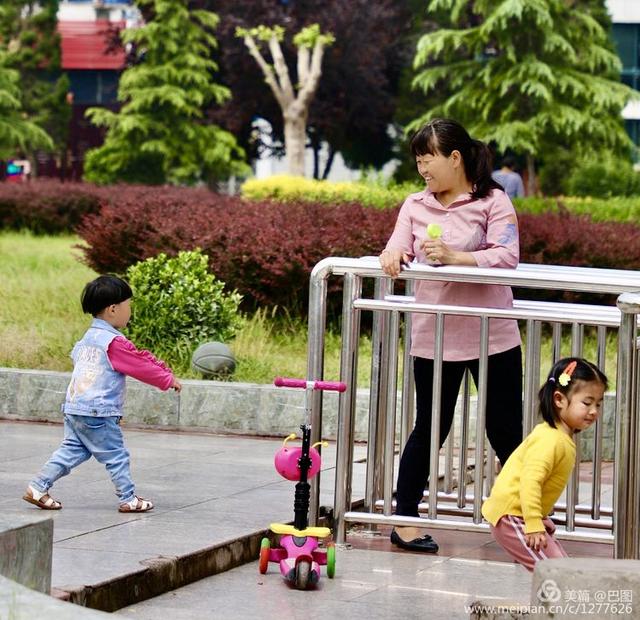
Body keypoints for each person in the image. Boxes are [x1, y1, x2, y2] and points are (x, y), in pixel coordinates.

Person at [379, 118, 523, 553]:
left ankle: (526, 519)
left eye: (429, 158)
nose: (422, 167)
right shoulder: (414, 205)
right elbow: (397, 246)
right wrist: (391, 252)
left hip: (491, 334)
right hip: (435, 335)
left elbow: (507, 255)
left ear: (455, 157)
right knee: (429, 428)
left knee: (505, 431)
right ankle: (404, 521)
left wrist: (459, 257)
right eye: (418, 159)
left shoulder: (493, 201)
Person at [23, 275, 182, 513]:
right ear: (113, 309)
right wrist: (166, 379)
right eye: (129, 306)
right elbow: (139, 365)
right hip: (99, 411)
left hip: (75, 406)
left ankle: (37, 487)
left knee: (71, 451)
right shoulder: (114, 343)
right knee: (116, 455)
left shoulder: (89, 337)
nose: (130, 311)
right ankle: (128, 498)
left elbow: (77, 357)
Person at [482, 357, 607, 571]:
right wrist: (533, 523)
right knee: (556, 572)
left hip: (521, 516)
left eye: (598, 403)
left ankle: (543, 604)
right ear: (559, 399)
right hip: (513, 517)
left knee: (560, 571)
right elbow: (530, 482)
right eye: (587, 403)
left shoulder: (558, 436)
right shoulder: (550, 440)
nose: (594, 410)